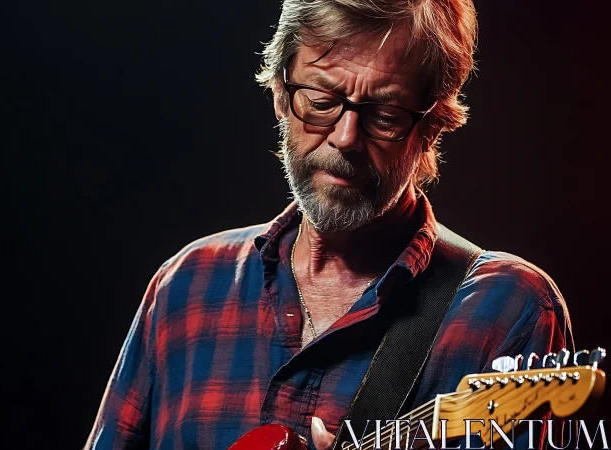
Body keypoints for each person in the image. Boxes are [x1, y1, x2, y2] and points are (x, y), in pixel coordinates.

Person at [85, 0, 573, 449]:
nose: (344, 138)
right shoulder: (186, 286)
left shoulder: (510, 311)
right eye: (320, 99)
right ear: (280, 92)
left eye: (383, 114)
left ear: (431, 128)